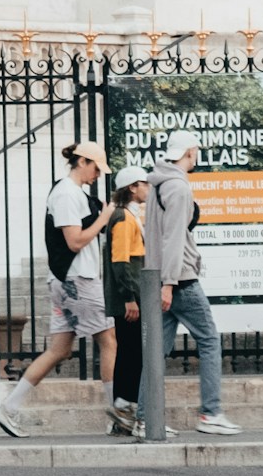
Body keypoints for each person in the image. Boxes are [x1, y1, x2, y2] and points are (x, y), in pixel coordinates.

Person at [0, 136, 116, 433]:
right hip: (77, 280)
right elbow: (75, 242)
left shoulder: (74, 194)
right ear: (82, 162)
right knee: (109, 339)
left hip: (65, 282)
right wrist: (105, 217)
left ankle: (7, 408)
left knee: (59, 349)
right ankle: (119, 414)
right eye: (96, 169)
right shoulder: (66, 194)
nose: (98, 175)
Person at [144, 129, 242, 437]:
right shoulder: (179, 188)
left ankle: (144, 416)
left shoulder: (156, 184)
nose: (196, 156)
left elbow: (156, 236)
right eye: (196, 151)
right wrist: (170, 283)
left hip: (158, 276)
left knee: (156, 350)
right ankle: (210, 413)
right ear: (189, 152)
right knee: (210, 341)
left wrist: (161, 281)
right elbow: (173, 238)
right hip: (180, 280)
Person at [103, 166, 152, 438]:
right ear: (132, 187)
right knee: (132, 353)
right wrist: (130, 299)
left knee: (130, 351)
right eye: (144, 183)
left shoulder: (129, 216)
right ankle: (124, 405)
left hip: (130, 297)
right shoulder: (123, 217)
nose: (147, 188)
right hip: (129, 299)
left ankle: (123, 413)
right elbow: (120, 261)